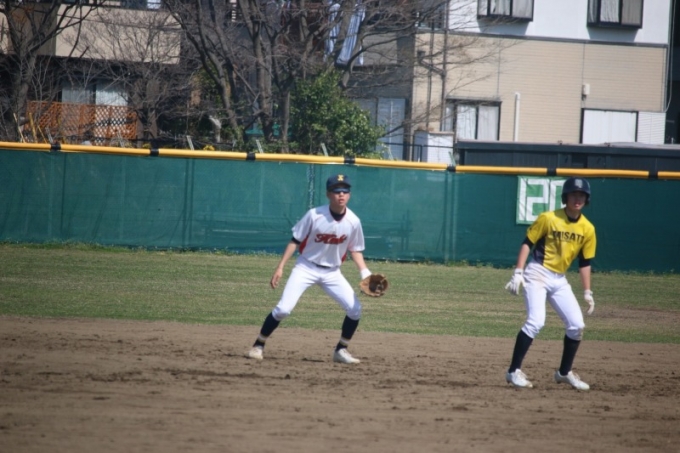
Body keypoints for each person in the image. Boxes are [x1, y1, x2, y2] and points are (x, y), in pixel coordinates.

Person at [246, 174, 373, 364]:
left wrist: (365, 273)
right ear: (328, 194)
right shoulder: (315, 215)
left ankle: (341, 350)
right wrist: (280, 267)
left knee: (355, 309)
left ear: (349, 195)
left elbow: (355, 249)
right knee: (283, 310)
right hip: (306, 267)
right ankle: (258, 345)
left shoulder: (353, 221)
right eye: (336, 190)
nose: (341, 194)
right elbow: (295, 241)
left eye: (345, 191)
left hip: (332, 272)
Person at [504, 176, 596, 391]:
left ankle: (564, 373)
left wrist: (587, 292)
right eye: (573, 194)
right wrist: (518, 272)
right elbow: (527, 244)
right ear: (565, 197)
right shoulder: (549, 218)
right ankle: (513, 371)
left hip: (559, 279)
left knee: (577, 325)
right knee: (536, 321)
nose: (577, 199)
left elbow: (585, 262)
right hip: (537, 272)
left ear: (587, 199)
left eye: (581, 195)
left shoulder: (588, 228)